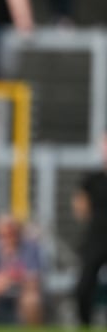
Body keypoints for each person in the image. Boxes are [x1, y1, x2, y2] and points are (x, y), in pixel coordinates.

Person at [0, 213, 45, 325]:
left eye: (13, 234)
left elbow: (34, 280)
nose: (8, 238)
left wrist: (14, 277)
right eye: (3, 235)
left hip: (21, 292)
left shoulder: (30, 248)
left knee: (32, 300)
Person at [71, 130, 107, 328]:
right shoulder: (93, 179)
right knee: (86, 281)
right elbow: (80, 204)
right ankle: (85, 322)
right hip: (97, 235)